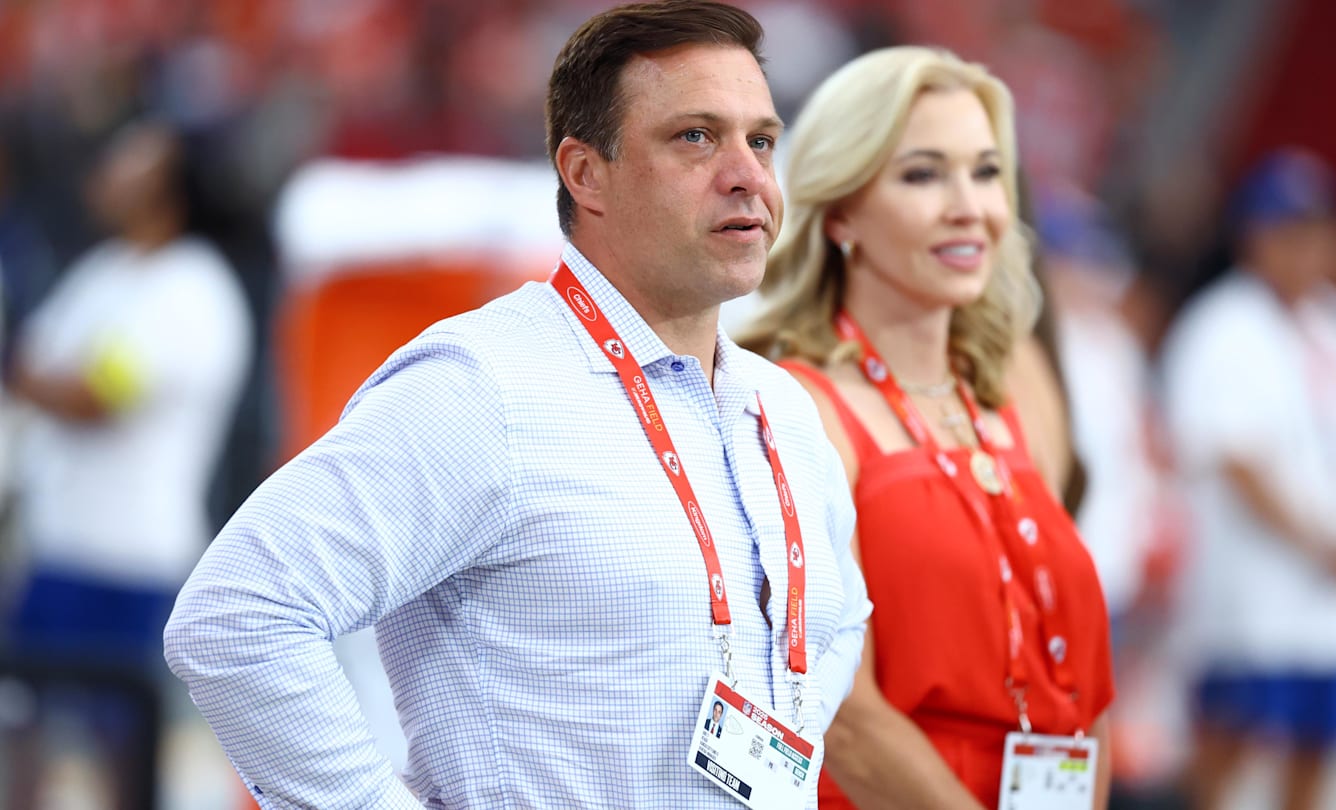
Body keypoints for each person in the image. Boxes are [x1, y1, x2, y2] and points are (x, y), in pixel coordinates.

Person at [164, 3, 870, 808]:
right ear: (584, 173)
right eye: (695, 138)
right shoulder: (484, 387)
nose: (747, 173)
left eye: (762, 140)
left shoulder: (781, 410)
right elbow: (237, 615)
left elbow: (840, 619)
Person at [740, 46, 1114, 810]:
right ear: (840, 212)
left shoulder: (1018, 387)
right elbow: (843, 712)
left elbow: (1080, 680)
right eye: (922, 174)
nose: (969, 205)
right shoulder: (796, 405)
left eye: (984, 171)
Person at [1, 120, 251, 810]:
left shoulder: (192, 290)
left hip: (134, 565)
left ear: (170, 185)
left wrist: (30, 375)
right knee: (24, 745)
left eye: (134, 157)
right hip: (58, 552)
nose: (111, 167)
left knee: (125, 760)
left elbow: (99, 396)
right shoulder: (100, 273)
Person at [1162, 149, 1336, 810]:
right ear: (1253, 237)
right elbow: (1234, 456)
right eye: (1288, 232)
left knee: (1317, 752)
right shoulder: (1220, 327)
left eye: (1321, 231)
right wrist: (1320, 543)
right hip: (1256, 596)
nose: (1307, 249)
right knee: (1226, 748)